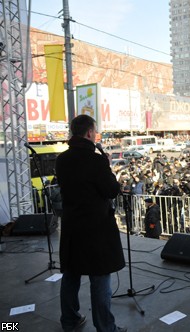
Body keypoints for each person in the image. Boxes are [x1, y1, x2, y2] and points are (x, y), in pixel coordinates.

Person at [55, 114, 126, 332]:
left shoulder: (62, 159)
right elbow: (111, 190)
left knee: (71, 275)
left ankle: (70, 319)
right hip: (95, 230)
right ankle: (106, 327)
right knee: (100, 279)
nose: (96, 135)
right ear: (89, 133)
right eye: (94, 131)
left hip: (71, 226)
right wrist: (109, 171)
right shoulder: (96, 160)